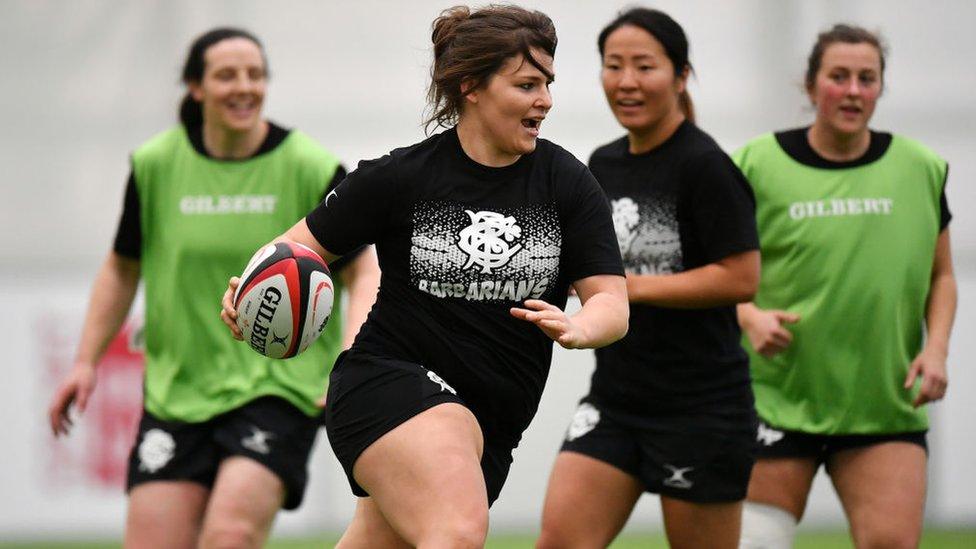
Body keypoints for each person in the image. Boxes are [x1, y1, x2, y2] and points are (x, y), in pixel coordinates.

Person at [220, 5, 628, 547]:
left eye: (548, 84)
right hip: (387, 380)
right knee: (455, 533)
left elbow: (612, 304)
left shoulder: (566, 184)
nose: (545, 101)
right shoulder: (400, 177)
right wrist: (245, 290)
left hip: (493, 425)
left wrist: (581, 327)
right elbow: (293, 249)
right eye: (527, 84)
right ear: (471, 87)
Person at [47, 27, 380, 549]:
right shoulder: (155, 164)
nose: (243, 86)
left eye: (255, 74)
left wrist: (349, 359)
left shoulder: (309, 166)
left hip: (280, 387)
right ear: (195, 87)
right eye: (226, 75)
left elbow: (364, 269)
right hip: (177, 392)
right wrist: (85, 360)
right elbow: (121, 267)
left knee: (230, 535)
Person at [535, 8, 760, 549]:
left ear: (681, 77)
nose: (627, 82)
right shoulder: (602, 163)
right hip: (614, 400)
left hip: (701, 409)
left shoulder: (705, 165)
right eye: (613, 66)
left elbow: (741, 277)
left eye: (644, 66)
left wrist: (621, 286)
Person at [733, 24, 956, 549]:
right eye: (838, 77)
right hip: (774, 398)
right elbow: (718, 270)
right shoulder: (755, 165)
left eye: (867, 78)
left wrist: (938, 349)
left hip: (883, 401)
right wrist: (749, 315)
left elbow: (942, 274)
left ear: (880, 87)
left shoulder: (921, 168)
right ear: (811, 87)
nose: (853, 90)